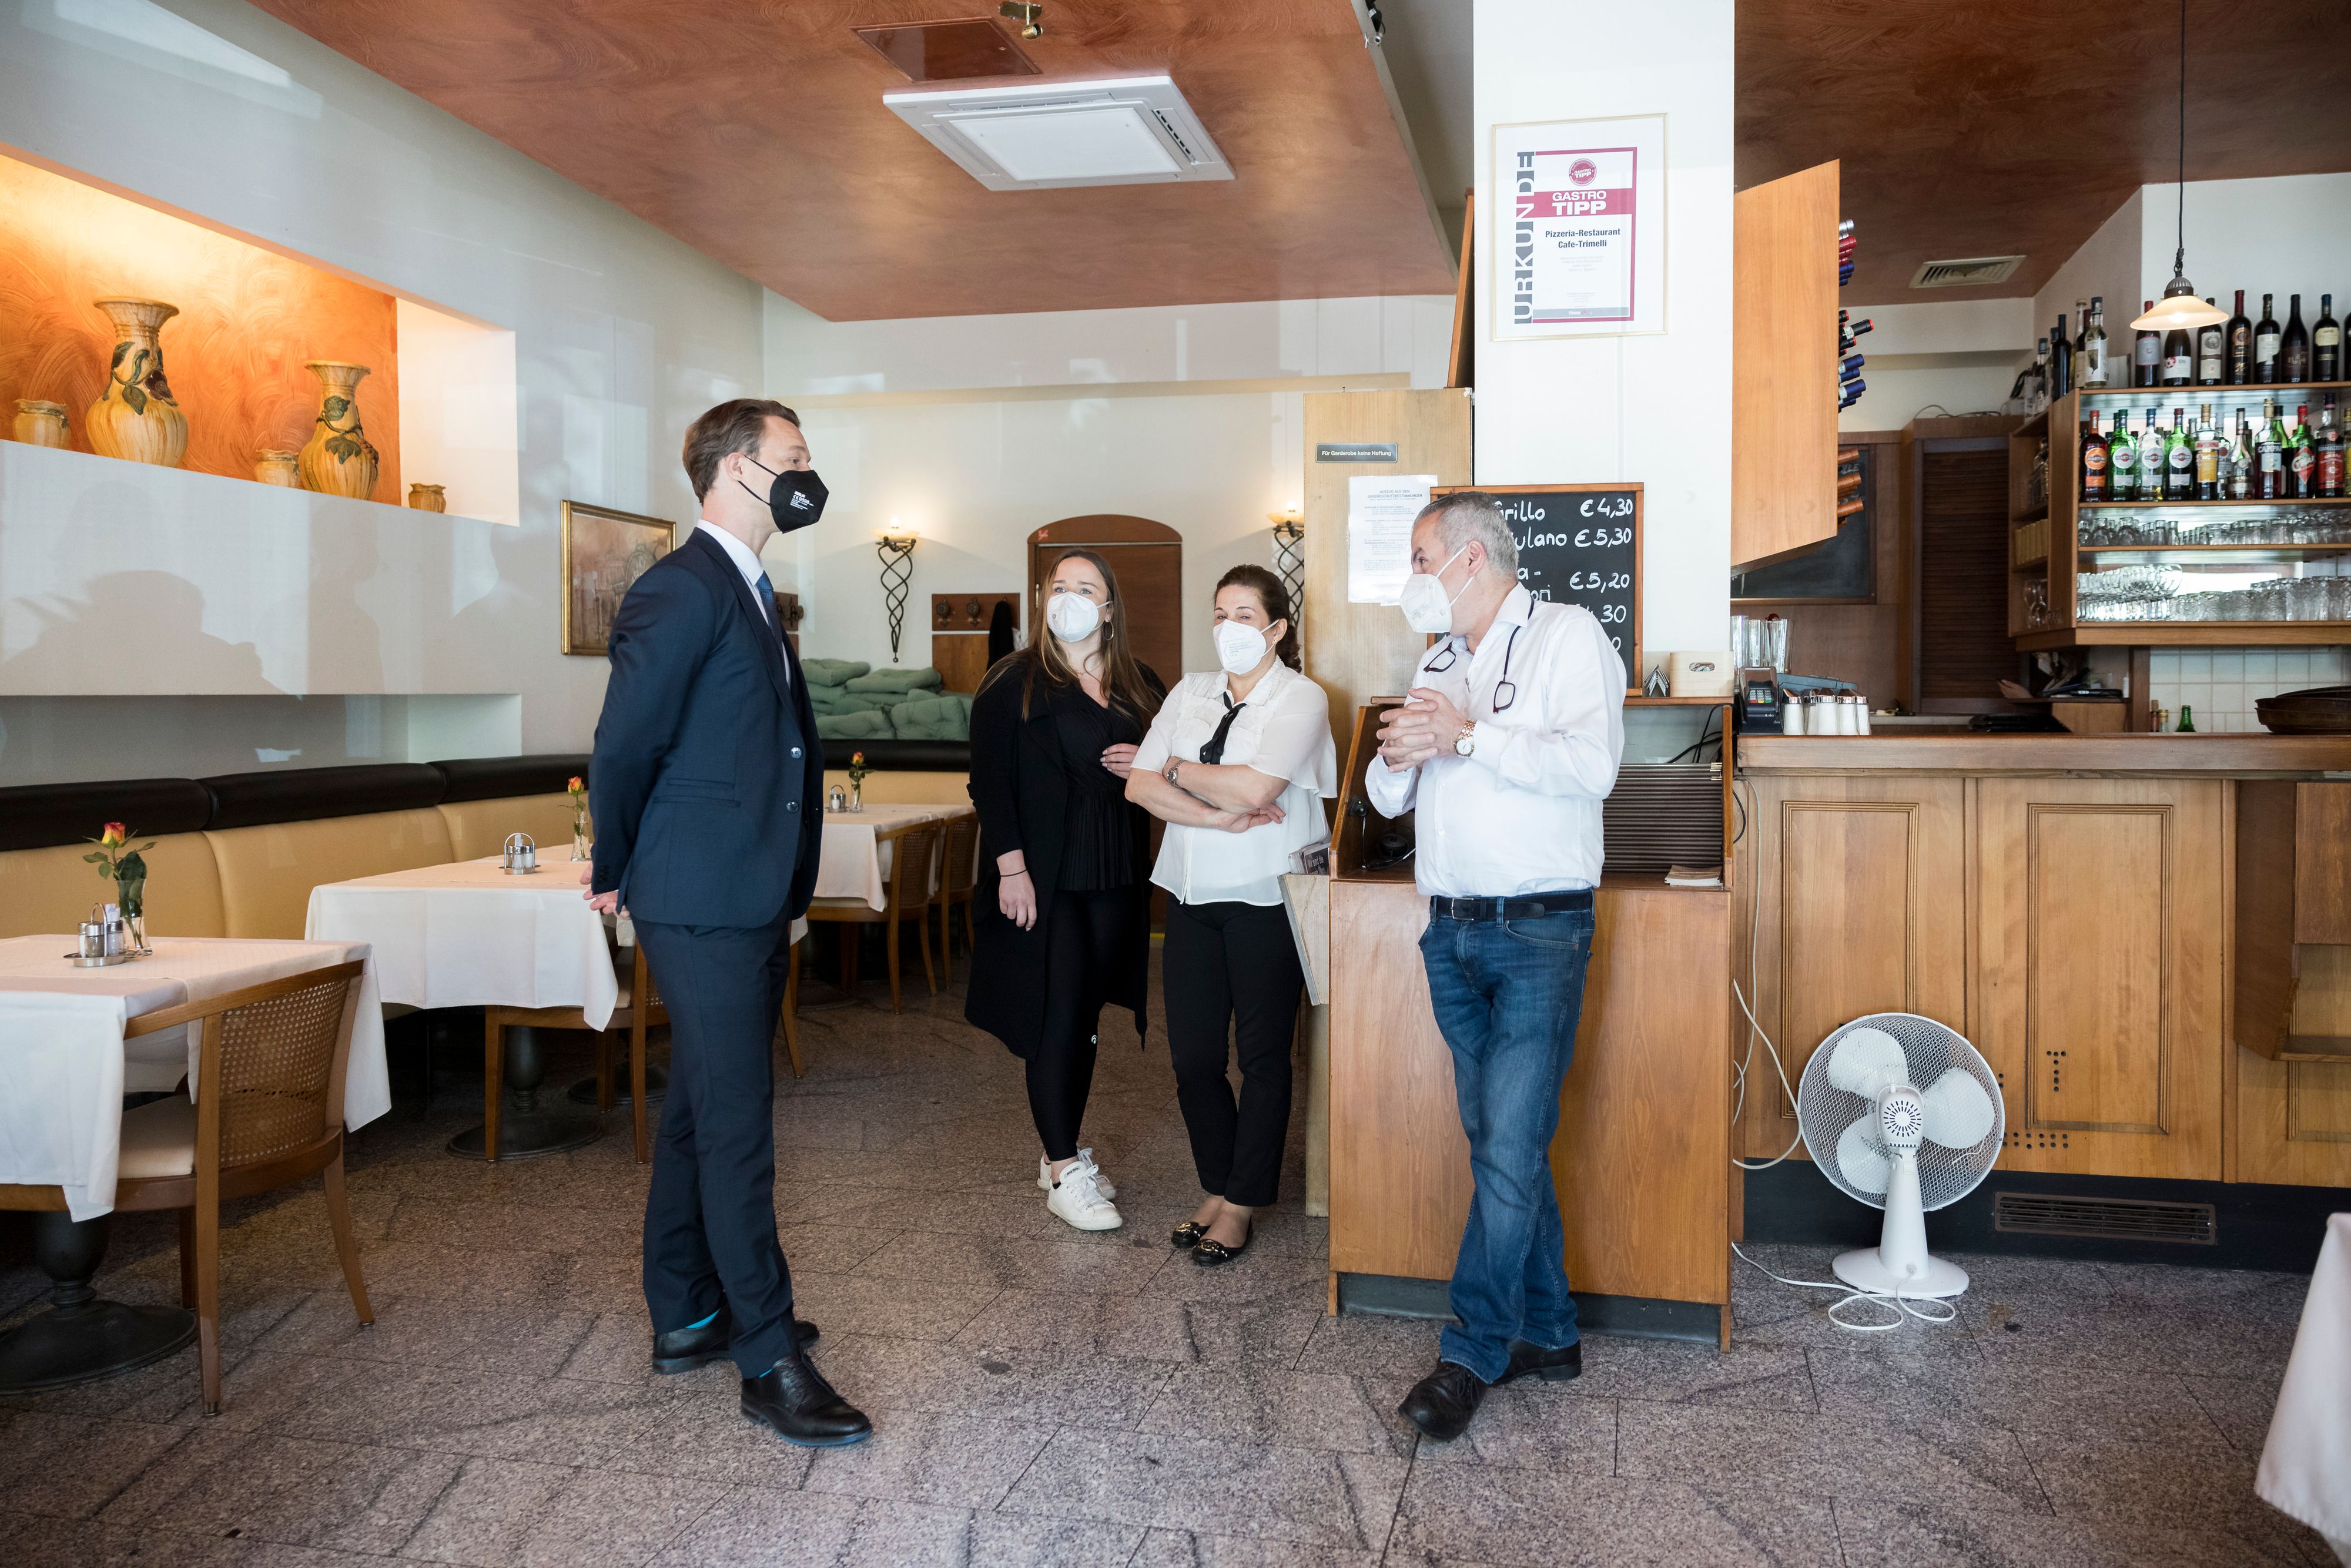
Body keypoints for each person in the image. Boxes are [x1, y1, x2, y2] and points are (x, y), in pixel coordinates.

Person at [584, 398, 869, 1448]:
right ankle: (767, 1355)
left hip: (743, 885)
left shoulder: (752, 589)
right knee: (742, 1126)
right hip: (698, 893)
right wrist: (614, 865)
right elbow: (623, 746)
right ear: (740, 470)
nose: (809, 475)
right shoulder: (680, 586)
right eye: (796, 459)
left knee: (705, 1109)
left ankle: (689, 1311)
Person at [1363, 490, 1625, 1442]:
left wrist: (1470, 735)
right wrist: (1400, 755)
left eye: (1422, 554)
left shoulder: (1566, 635)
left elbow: (1592, 766)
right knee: (1500, 1144)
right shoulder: (1438, 657)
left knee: (1509, 1151)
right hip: (1453, 932)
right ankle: (1549, 1331)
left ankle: (1471, 1352)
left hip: (1538, 934)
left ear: (1472, 557)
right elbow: (1392, 789)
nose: (1414, 574)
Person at [1126, 565, 1333, 1265]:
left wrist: (1179, 771)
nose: (1229, 628)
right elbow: (1137, 785)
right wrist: (1217, 813)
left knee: (1265, 1057)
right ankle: (1215, 1184)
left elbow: (1257, 787)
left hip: (1266, 896)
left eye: (1246, 615)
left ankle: (1241, 1203)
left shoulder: (1302, 697)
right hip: (1188, 893)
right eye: (1221, 613)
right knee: (1193, 1059)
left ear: (1276, 628)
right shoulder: (1189, 691)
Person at [965, 549, 1164, 1232]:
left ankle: (1064, 1147)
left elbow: (1172, 766)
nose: (1069, 598)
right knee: (1054, 1020)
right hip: (1045, 881)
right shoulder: (1013, 681)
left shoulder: (1142, 683)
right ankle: (1059, 1168)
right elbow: (989, 783)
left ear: (1109, 607)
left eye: (1086, 588)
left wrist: (1152, 762)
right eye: (1060, 587)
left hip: (1115, 876)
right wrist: (1010, 869)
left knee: (1084, 1022)